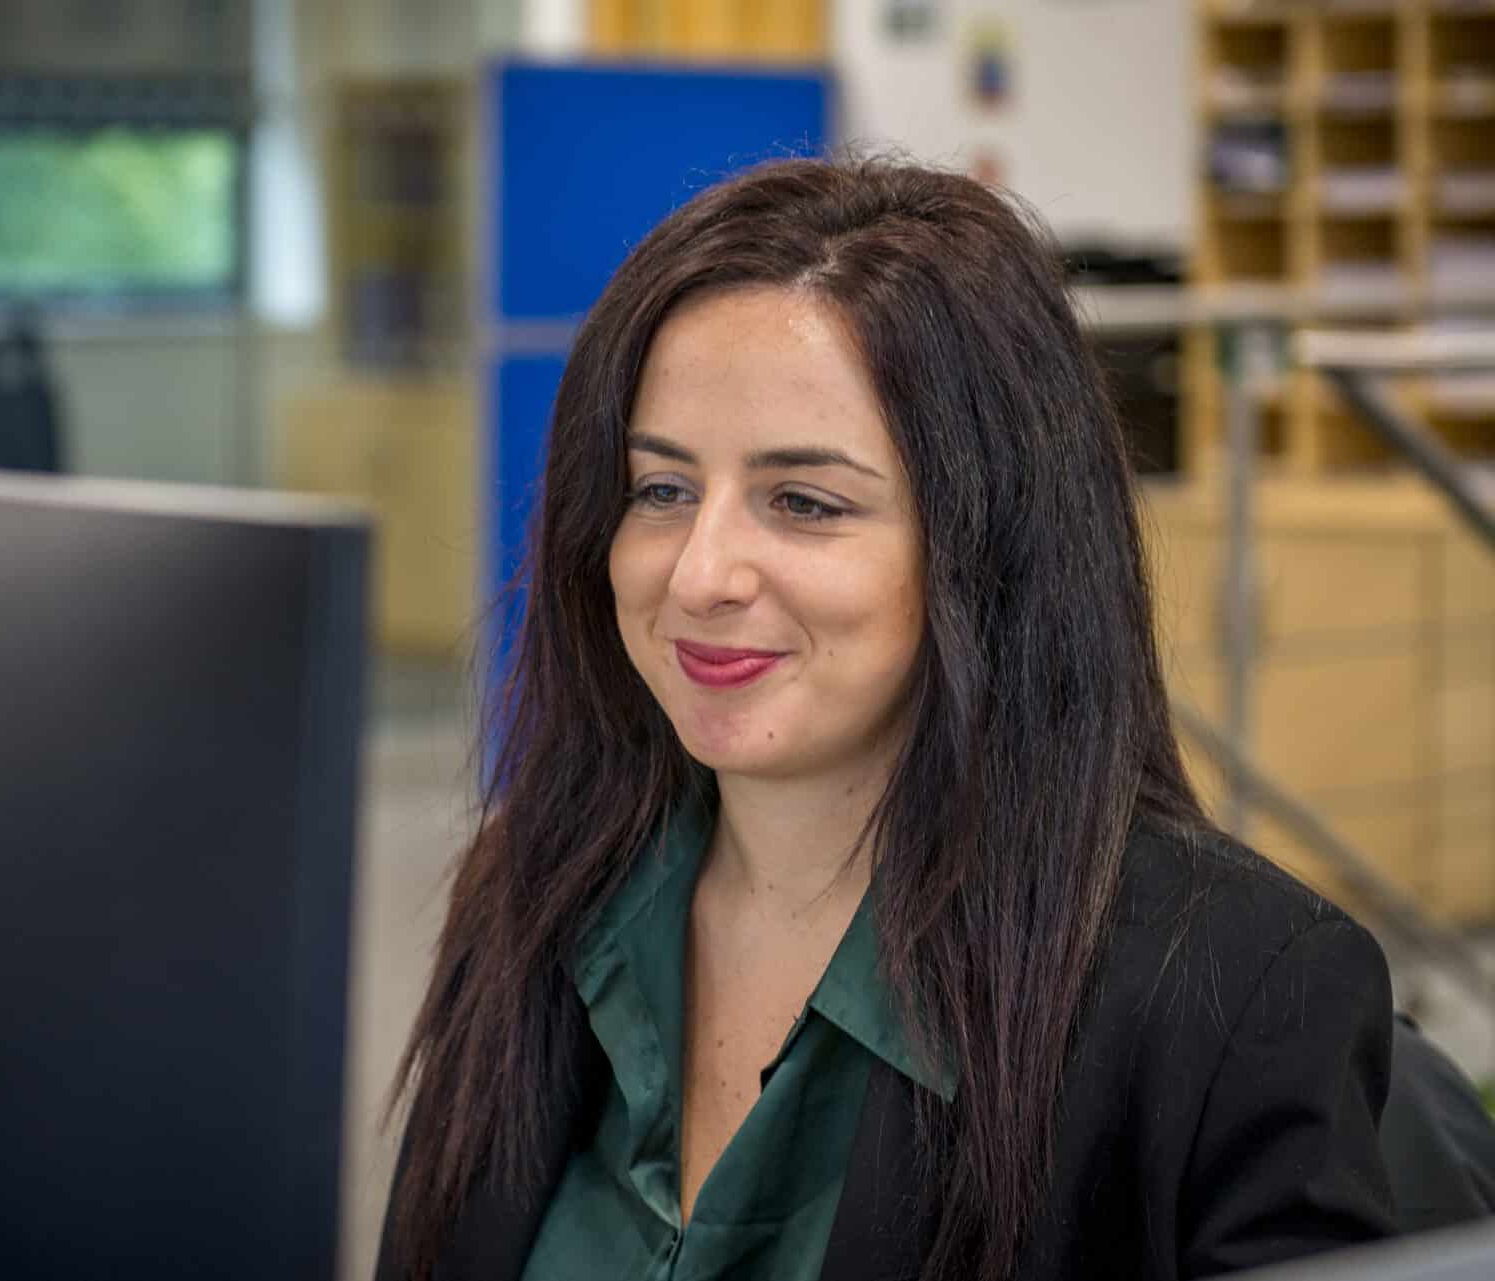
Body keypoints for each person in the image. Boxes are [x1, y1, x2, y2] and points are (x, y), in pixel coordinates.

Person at [375, 155, 1397, 1281]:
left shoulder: (1227, 994)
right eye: (661, 490)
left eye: (804, 503)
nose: (700, 572)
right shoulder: (533, 887)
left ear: (988, 553)